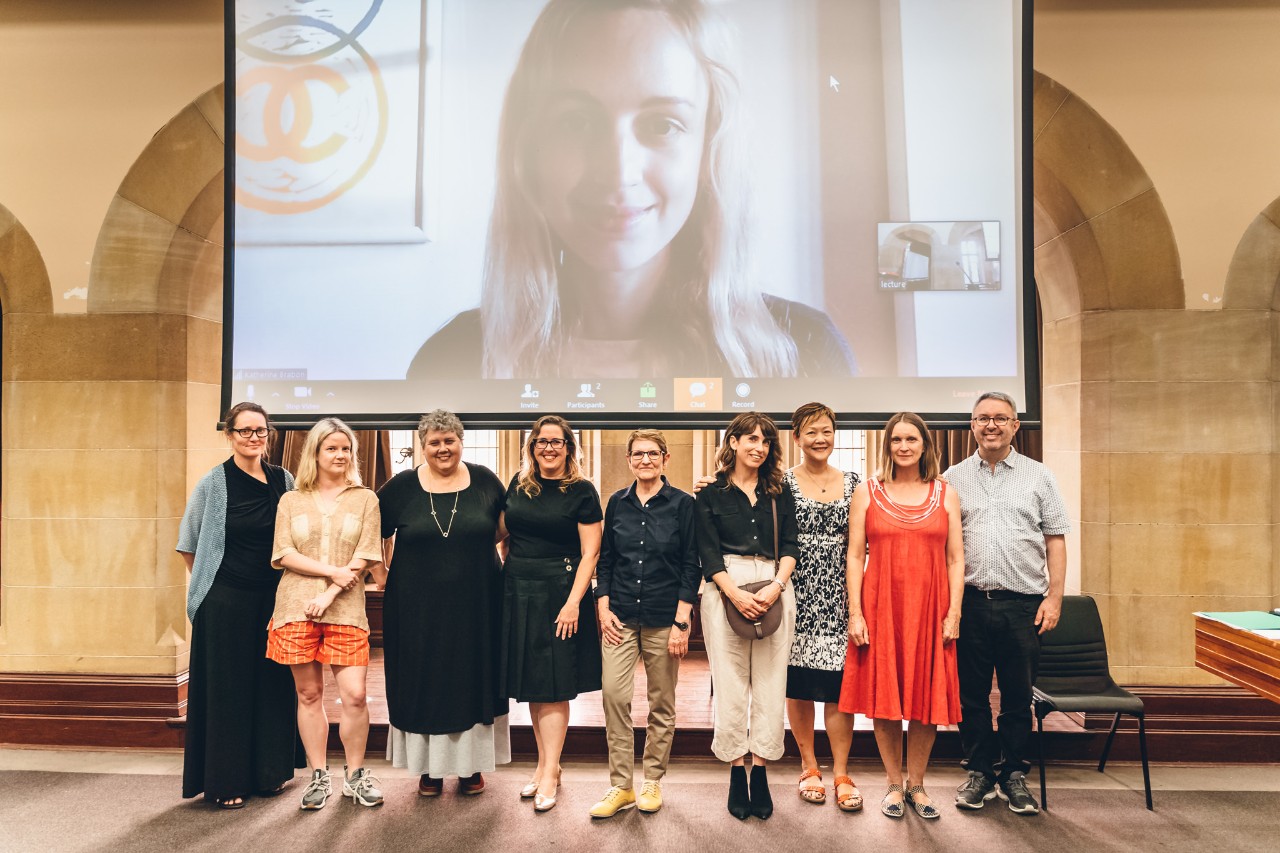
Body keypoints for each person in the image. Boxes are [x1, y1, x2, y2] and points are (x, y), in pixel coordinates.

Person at [408, 0, 855, 380]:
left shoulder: (806, 353)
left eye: (663, 124)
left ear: (709, 151)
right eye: (575, 122)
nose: (618, 172)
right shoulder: (450, 359)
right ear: (530, 150)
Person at [945, 391, 1070, 816]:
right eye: (983, 418)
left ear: (1016, 425)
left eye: (1001, 418)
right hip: (971, 604)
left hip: (1024, 606)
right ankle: (980, 771)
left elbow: (1055, 539)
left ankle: (1014, 774)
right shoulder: (952, 478)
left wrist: (1054, 598)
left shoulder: (1039, 476)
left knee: (1018, 697)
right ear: (973, 426)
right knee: (971, 697)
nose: (991, 425)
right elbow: (944, 548)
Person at [378, 410, 510, 798]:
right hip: (415, 608)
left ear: (460, 442)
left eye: (449, 440)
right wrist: (381, 577)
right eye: (434, 442)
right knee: (425, 682)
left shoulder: (485, 479)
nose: (442, 448)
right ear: (423, 447)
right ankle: (429, 770)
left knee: (473, 680)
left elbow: (506, 527)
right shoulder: (401, 487)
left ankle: (470, 768)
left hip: (478, 605)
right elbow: (371, 531)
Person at [839, 412, 963, 820]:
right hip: (881, 605)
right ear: (887, 445)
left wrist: (955, 612)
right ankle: (893, 784)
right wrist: (855, 612)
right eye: (897, 440)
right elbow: (855, 555)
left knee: (927, 699)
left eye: (912, 439)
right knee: (886, 699)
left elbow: (956, 558)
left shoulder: (945, 493)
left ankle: (918, 785)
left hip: (931, 606)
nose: (904, 446)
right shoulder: (867, 492)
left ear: (925, 445)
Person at [178, 402, 300, 808]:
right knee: (228, 692)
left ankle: (269, 775)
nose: (253, 438)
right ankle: (226, 782)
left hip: (273, 601)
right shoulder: (213, 484)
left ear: (269, 435)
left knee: (271, 686)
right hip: (225, 601)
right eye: (245, 431)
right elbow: (190, 546)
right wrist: (215, 583)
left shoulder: (284, 480)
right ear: (229, 435)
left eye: (260, 431)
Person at [267, 418, 384, 811]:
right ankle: (319, 775)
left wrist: (333, 589)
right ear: (315, 453)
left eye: (346, 448)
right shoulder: (291, 499)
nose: (340, 455)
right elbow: (283, 553)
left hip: (346, 610)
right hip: (295, 606)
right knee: (308, 693)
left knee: (355, 695)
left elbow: (367, 555)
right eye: (331, 448)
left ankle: (355, 775)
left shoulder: (365, 498)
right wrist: (331, 571)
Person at [589, 429, 700, 818]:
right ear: (629, 460)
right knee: (614, 698)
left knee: (661, 703)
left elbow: (691, 564)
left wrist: (682, 622)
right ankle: (621, 786)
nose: (646, 460)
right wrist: (602, 608)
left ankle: (652, 778)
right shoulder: (617, 503)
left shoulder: (684, 505)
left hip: (663, 617)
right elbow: (605, 561)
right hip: (619, 615)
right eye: (638, 454)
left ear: (665, 459)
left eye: (653, 454)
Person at [695, 412, 799, 820]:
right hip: (726, 585)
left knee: (772, 683)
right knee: (731, 682)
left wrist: (776, 586)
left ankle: (761, 769)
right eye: (750, 439)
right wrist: (733, 592)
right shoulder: (710, 493)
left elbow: (791, 544)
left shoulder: (780, 490)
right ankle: (737, 770)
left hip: (776, 583)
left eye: (766, 441)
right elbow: (706, 551)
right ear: (733, 442)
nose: (758, 447)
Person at [501, 415, 604, 811]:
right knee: (532, 683)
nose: (548, 448)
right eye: (541, 441)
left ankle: (549, 772)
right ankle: (546, 767)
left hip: (560, 593)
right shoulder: (519, 484)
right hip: (518, 590)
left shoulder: (581, 490)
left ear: (568, 447)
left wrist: (574, 602)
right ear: (532, 447)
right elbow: (503, 534)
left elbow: (590, 552)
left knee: (555, 684)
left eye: (557, 442)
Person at [783, 402, 863, 813]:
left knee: (837, 689)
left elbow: (861, 544)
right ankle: (808, 765)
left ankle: (842, 771)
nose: (820, 439)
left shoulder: (855, 482)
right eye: (811, 432)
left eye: (826, 431)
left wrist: (858, 605)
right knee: (798, 687)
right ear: (796, 437)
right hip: (793, 594)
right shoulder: (779, 483)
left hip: (840, 595)